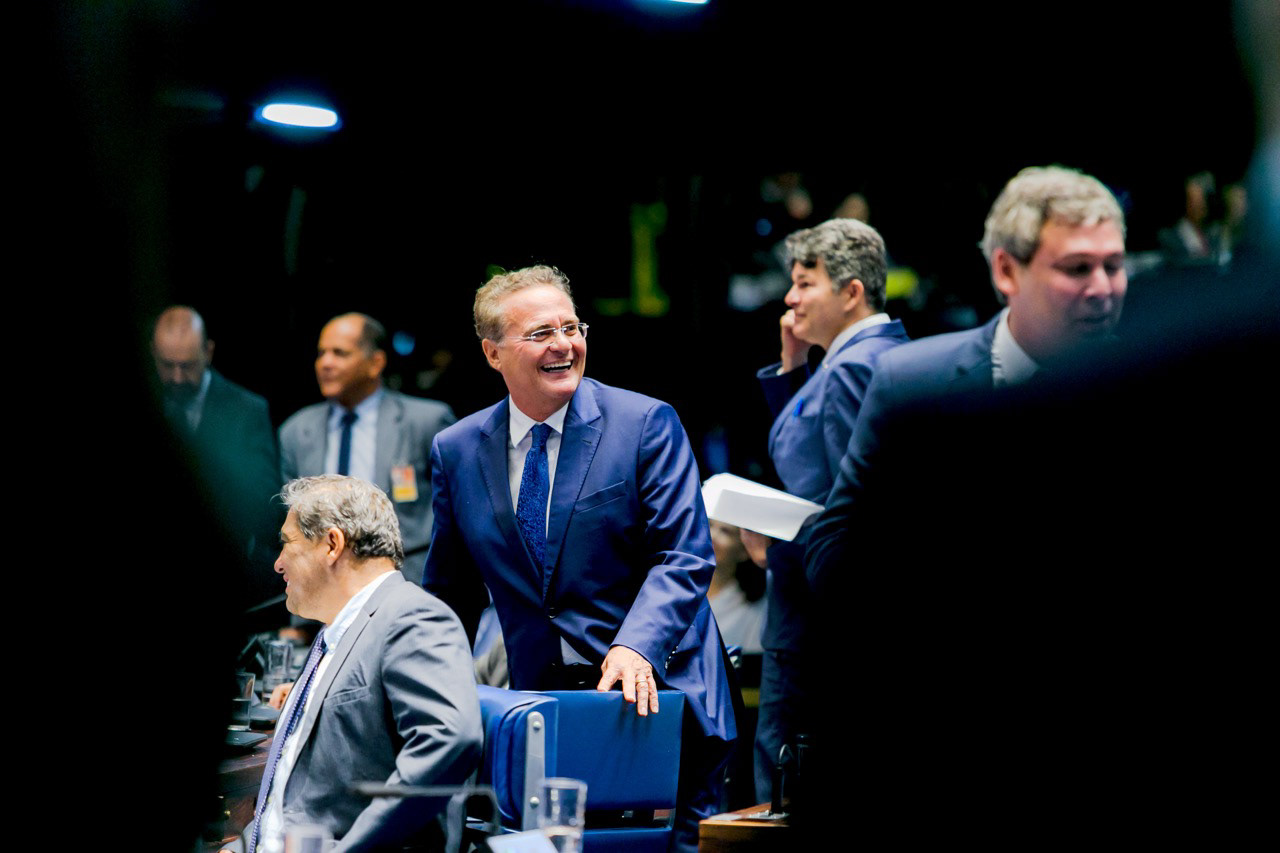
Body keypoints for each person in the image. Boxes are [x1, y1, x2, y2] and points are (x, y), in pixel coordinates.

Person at [423, 265, 735, 851]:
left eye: (572, 327)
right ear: (493, 353)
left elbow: (683, 556)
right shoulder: (457, 448)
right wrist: (416, 678)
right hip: (544, 713)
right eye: (541, 333)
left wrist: (635, 643)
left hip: (657, 694)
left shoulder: (644, 423)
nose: (565, 344)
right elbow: (451, 592)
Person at [806, 165, 1127, 585]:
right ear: (1006, 271)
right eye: (1078, 268)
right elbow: (831, 548)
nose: (1103, 288)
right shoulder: (912, 382)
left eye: (1114, 265)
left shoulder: (1164, 380)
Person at [227, 475, 482, 853]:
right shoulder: (337, 632)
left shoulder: (412, 616)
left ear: (332, 544)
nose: (278, 564)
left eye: (286, 543)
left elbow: (450, 739)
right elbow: (296, 791)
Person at [747, 218, 909, 800]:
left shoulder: (852, 368)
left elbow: (856, 518)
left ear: (851, 292)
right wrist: (792, 366)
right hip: (818, 609)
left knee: (787, 791)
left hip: (817, 618)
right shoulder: (876, 355)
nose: (789, 298)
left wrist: (774, 535)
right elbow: (811, 463)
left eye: (804, 283)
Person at [279, 313, 455, 584]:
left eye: (340, 353)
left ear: (376, 363)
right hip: (324, 589)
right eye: (321, 353)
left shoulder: (425, 422)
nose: (325, 363)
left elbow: (456, 513)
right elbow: (289, 526)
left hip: (410, 582)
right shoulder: (296, 432)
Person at [152, 305, 282, 603]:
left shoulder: (247, 410)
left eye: (187, 366)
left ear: (208, 352)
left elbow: (266, 501)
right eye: (166, 365)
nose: (177, 377)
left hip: (229, 572)